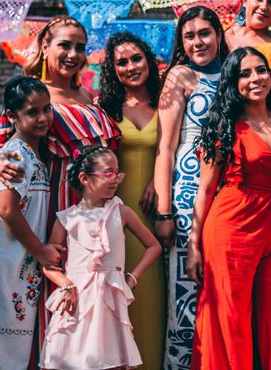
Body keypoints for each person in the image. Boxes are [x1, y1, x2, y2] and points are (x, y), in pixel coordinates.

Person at [0, 16, 121, 359]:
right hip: (57, 207)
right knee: (58, 294)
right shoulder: (32, 92)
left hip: (96, 210)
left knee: (93, 295)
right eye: (64, 44)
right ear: (45, 46)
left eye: (80, 47)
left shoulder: (89, 95)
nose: (73, 54)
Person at [188, 47, 271, 370]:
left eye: (261, 70)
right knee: (231, 320)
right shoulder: (225, 126)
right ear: (233, 83)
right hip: (231, 229)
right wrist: (194, 246)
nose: (256, 79)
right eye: (245, 73)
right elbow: (206, 188)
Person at [39, 145, 162, 370]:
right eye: (108, 173)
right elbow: (48, 265)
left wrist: (132, 278)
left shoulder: (122, 212)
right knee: (66, 359)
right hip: (75, 301)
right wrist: (66, 285)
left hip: (109, 300)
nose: (115, 179)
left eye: (118, 173)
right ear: (85, 178)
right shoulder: (66, 219)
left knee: (112, 360)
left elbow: (153, 246)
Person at [153, 5, 228, 368]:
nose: (198, 42)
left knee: (219, 292)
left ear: (218, 34)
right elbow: (165, 148)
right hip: (186, 194)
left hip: (229, 194)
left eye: (204, 33)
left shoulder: (234, 73)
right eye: (189, 36)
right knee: (185, 292)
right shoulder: (180, 76)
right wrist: (165, 211)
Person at [0, 76, 61, 368]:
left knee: (9, 350)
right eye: (32, 112)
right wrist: (41, 251)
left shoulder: (34, 153)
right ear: (11, 116)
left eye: (46, 109)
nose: (42, 118)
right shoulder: (14, 154)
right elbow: (7, 210)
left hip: (15, 267)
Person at [98, 31, 165, 370]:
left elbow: (174, 150)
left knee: (153, 297)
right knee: (121, 297)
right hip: (117, 216)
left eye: (136, 58)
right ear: (113, 70)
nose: (130, 67)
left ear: (149, 61)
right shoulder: (106, 109)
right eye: (121, 62)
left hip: (158, 212)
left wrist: (157, 181)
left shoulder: (166, 101)